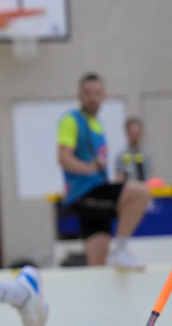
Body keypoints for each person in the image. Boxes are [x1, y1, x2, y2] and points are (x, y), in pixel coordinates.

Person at [57, 73, 151, 270]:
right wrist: (90, 167)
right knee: (140, 193)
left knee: (97, 266)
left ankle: (115, 260)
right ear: (79, 96)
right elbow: (64, 158)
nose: (92, 97)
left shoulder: (97, 124)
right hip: (84, 193)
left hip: (95, 200)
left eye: (97, 93)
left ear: (104, 96)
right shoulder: (71, 121)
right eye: (87, 93)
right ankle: (122, 249)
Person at [114, 116, 152, 183]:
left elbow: (148, 176)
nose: (135, 134)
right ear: (127, 133)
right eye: (132, 131)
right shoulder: (121, 155)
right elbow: (119, 179)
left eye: (137, 131)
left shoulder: (146, 155)